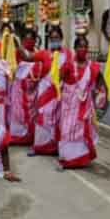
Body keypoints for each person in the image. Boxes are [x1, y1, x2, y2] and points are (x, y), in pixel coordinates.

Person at [58, 33, 107, 169]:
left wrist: (100, 97)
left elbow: (100, 83)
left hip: (84, 106)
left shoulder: (93, 66)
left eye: (85, 46)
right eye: (80, 46)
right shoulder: (68, 65)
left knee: (81, 132)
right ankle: (68, 159)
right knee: (67, 131)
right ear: (75, 48)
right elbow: (57, 80)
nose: (83, 49)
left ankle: (80, 159)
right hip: (69, 106)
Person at [30, 24, 73, 156]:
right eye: (52, 38)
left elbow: (72, 70)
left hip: (60, 92)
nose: (55, 41)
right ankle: (40, 147)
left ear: (62, 38)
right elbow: (28, 56)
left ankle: (56, 147)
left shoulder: (68, 54)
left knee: (58, 120)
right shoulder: (44, 54)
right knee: (43, 117)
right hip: (45, 91)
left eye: (57, 38)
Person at [9, 27, 39, 145]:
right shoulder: (17, 52)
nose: (29, 41)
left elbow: (33, 61)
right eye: (26, 39)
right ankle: (18, 137)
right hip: (20, 88)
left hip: (33, 88)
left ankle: (30, 137)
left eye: (32, 39)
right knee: (18, 113)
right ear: (22, 40)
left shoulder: (37, 51)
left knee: (33, 114)